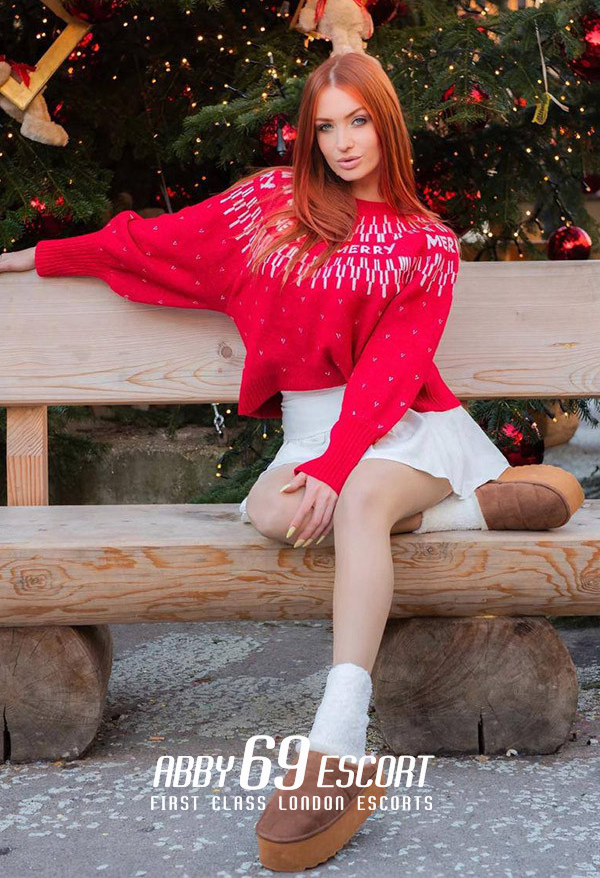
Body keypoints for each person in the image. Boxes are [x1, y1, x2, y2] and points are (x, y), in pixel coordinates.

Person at [0, 51, 584, 872]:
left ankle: (336, 743)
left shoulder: (428, 245)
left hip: (407, 427)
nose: (344, 142)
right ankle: (468, 509)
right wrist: (50, 256)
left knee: (357, 501)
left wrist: (342, 467)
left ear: (385, 124)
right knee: (275, 511)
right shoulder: (271, 207)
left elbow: (391, 371)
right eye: (326, 127)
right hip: (314, 433)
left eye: (359, 121)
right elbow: (160, 244)